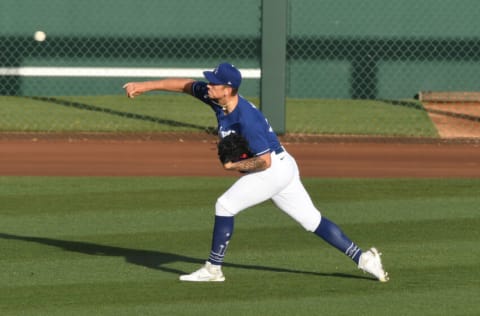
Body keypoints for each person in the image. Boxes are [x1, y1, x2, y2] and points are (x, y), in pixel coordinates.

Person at [123, 62, 389, 283]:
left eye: (215, 83)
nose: (209, 85)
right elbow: (184, 85)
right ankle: (365, 259)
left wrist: (233, 166)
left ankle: (213, 269)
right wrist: (144, 87)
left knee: (225, 205)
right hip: (284, 165)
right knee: (312, 220)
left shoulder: (246, 119)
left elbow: (263, 163)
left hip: (273, 168)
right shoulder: (217, 98)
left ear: (228, 89)